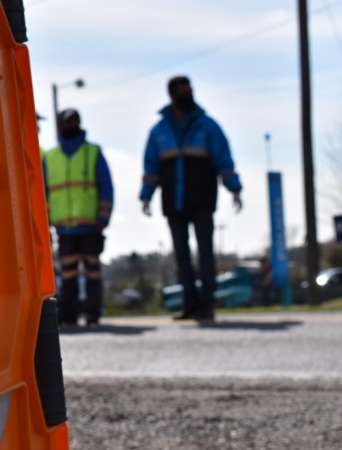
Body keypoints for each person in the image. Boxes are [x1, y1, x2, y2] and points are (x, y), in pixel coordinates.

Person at [139, 76, 243, 321]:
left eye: (190, 91)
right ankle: (189, 303)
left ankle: (207, 303)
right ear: (172, 96)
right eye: (183, 92)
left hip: (203, 199)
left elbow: (223, 159)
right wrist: (146, 196)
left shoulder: (207, 126)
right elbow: (151, 167)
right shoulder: (159, 130)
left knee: (206, 253)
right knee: (181, 256)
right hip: (173, 202)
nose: (188, 96)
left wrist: (234, 188)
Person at [43, 109, 114, 326]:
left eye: (74, 121)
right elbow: (43, 192)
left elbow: (106, 186)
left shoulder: (92, 152)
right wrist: (46, 220)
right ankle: (69, 315)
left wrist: (103, 217)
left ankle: (93, 313)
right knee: (68, 275)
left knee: (92, 272)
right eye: (67, 121)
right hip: (64, 228)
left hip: (91, 225)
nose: (70, 125)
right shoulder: (51, 157)